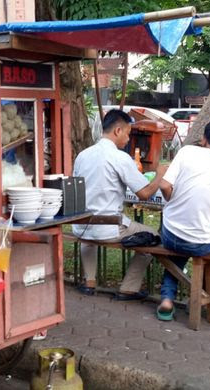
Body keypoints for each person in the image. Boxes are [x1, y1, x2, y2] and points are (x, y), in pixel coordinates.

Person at [72, 109, 167, 300]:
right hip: (108, 228)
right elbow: (144, 194)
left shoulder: (83, 155)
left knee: (92, 225)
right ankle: (128, 288)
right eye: (128, 133)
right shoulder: (120, 158)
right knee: (154, 237)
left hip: (80, 226)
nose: (128, 139)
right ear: (117, 131)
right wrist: (160, 175)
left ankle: (89, 282)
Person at [156, 120, 210, 321]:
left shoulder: (187, 152)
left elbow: (164, 185)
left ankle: (167, 300)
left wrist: (172, 199)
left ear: (204, 139)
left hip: (169, 233)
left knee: (177, 256)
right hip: (201, 240)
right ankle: (200, 293)